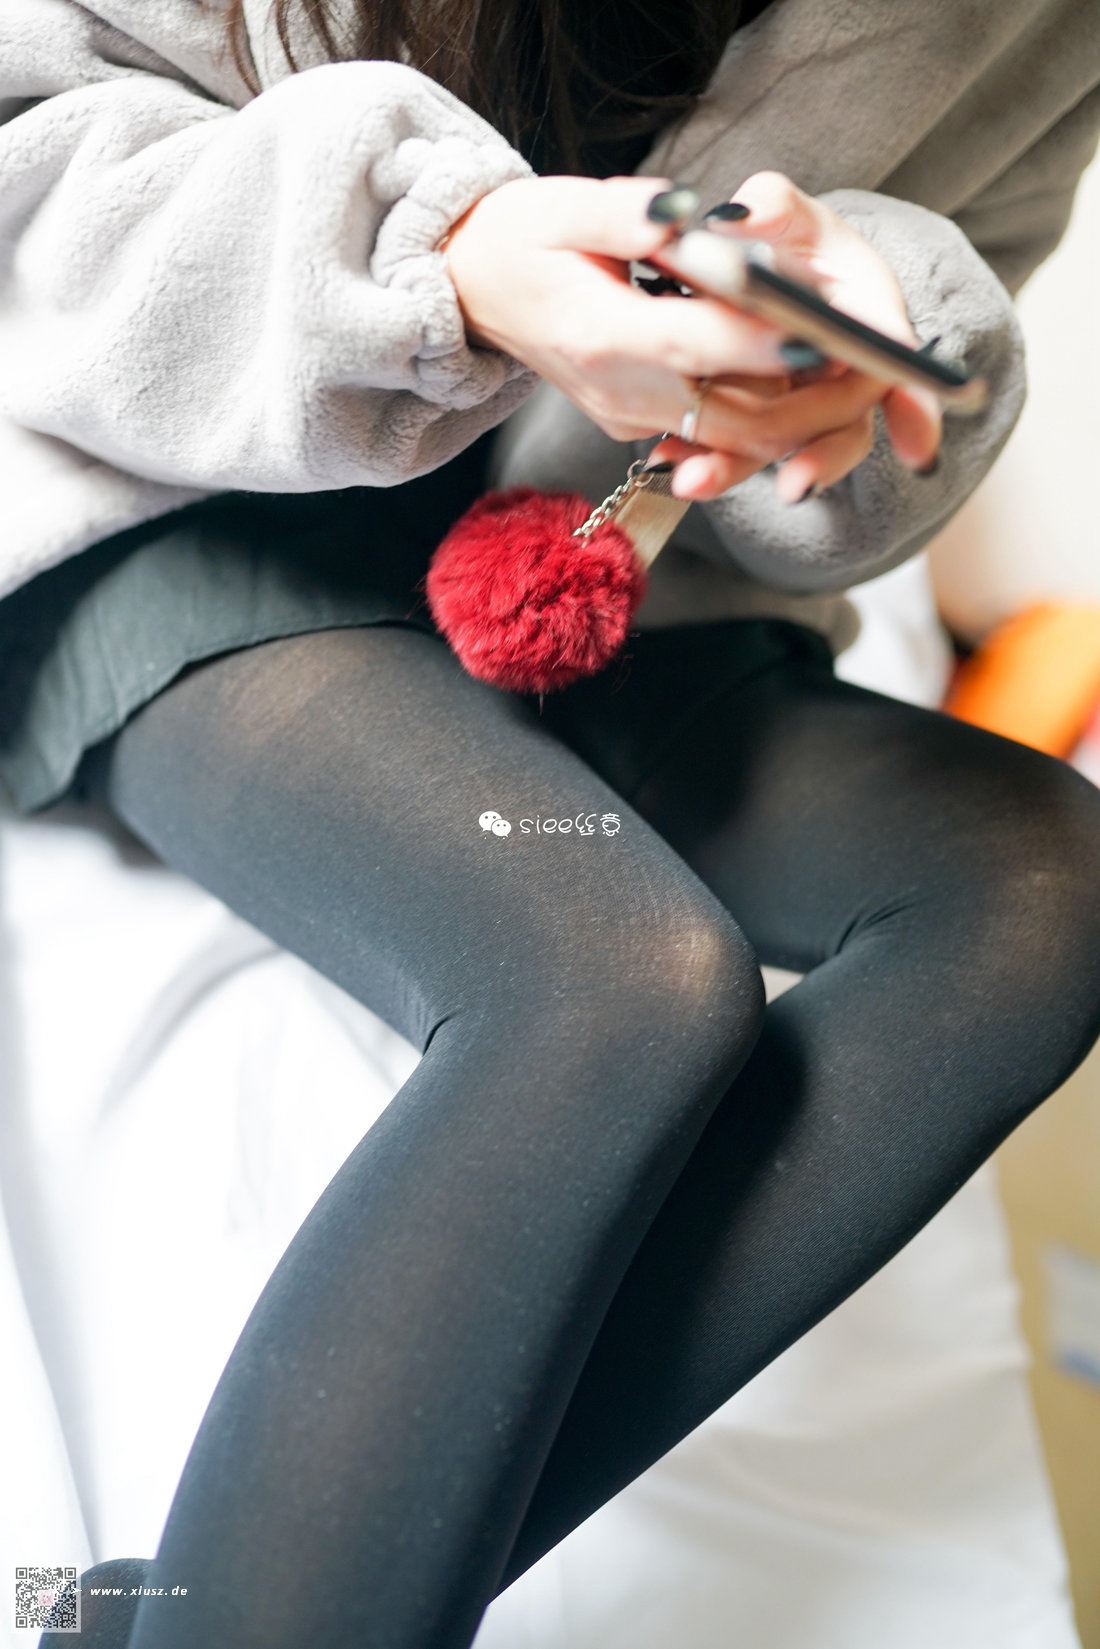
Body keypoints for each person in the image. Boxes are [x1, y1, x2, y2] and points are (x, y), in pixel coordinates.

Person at [4, 0, 1098, 1644]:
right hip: (192, 501)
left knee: (1039, 881)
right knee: (622, 973)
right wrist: (437, 259)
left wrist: (851, 361)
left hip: (601, 573)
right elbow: (28, 152)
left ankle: (222, 1605)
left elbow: (946, 322)